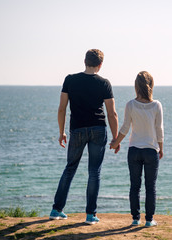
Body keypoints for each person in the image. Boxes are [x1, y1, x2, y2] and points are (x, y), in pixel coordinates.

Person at [49, 49, 120, 225]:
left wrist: (61, 132)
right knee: (94, 171)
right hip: (98, 129)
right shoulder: (104, 83)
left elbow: (62, 108)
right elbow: (112, 114)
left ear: (84, 61)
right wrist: (116, 138)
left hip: (77, 129)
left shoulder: (70, 80)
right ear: (100, 65)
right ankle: (90, 215)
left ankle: (56, 210)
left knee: (70, 168)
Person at [110, 71, 164, 228]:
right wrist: (161, 148)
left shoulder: (131, 104)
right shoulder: (156, 105)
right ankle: (149, 220)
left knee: (135, 185)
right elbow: (159, 129)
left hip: (134, 150)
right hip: (150, 150)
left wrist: (115, 143)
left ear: (136, 86)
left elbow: (125, 128)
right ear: (151, 86)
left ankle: (135, 218)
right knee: (150, 186)